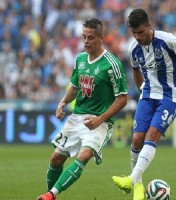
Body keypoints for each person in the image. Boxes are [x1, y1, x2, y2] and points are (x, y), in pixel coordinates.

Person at [112, 8, 176, 200]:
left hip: (171, 95)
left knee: (151, 135)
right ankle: (137, 186)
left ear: (149, 27)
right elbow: (135, 69)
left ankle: (130, 179)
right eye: (134, 33)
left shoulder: (167, 40)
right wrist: (142, 89)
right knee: (137, 138)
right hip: (148, 94)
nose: (137, 37)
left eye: (141, 32)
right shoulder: (133, 48)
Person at [36, 18, 128, 200]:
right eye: (84, 37)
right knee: (56, 159)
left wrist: (100, 119)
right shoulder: (80, 60)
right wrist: (63, 101)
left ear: (101, 38)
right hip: (78, 117)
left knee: (84, 155)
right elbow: (75, 86)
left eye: (91, 38)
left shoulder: (112, 64)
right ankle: (50, 194)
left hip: (99, 122)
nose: (86, 41)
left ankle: (50, 195)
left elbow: (123, 99)